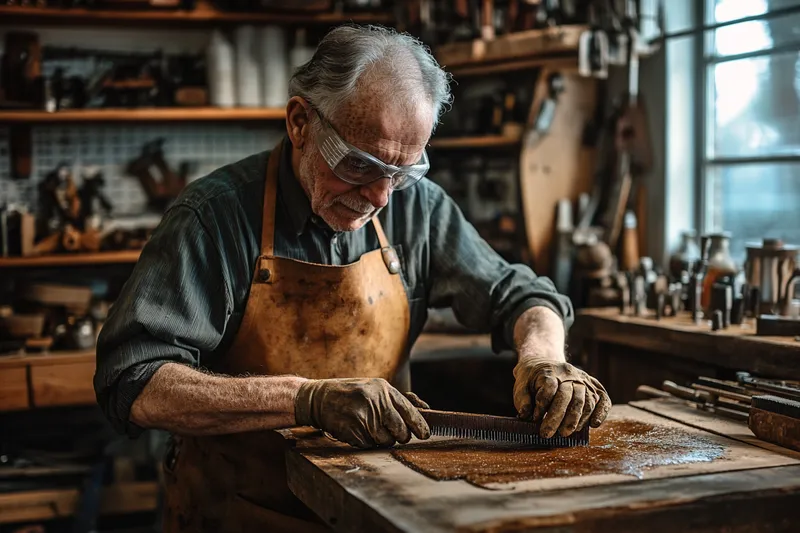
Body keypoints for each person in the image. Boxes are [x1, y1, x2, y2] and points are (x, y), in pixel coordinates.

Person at [94, 24, 611, 532]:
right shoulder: (213, 218)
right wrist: (306, 399)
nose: (382, 197)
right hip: (238, 511)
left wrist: (545, 358)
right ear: (300, 123)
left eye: (404, 173)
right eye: (360, 167)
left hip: (378, 510)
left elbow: (520, 295)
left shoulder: (417, 210)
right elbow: (136, 381)